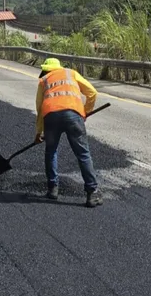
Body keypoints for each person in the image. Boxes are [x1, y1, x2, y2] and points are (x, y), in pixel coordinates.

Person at [33, 58, 103, 207]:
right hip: (73, 115)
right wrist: (85, 112)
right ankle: (92, 193)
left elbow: (39, 108)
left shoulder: (43, 80)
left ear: (46, 70)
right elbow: (92, 93)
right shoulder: (71, 73)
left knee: (51, 152)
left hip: (51, 117)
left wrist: (39, 132)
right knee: (83, 154)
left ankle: (53, 189)